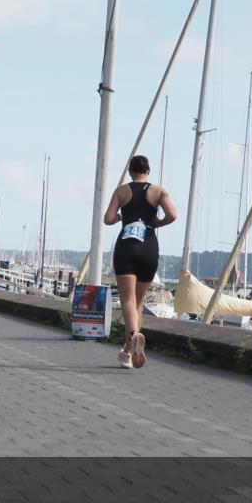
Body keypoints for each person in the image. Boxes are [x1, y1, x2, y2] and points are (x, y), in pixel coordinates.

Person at [103, 155, 177, 369]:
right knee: (137, 303)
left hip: (126, 246)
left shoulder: (121, 191)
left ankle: (134, 337)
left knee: (127, 300)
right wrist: (157, 223)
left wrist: (119, 218)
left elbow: (108, 219)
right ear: (148, 170)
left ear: (130, 171)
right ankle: (127, 352)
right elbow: (172, 214)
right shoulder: (158, 191)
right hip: (149, 246)